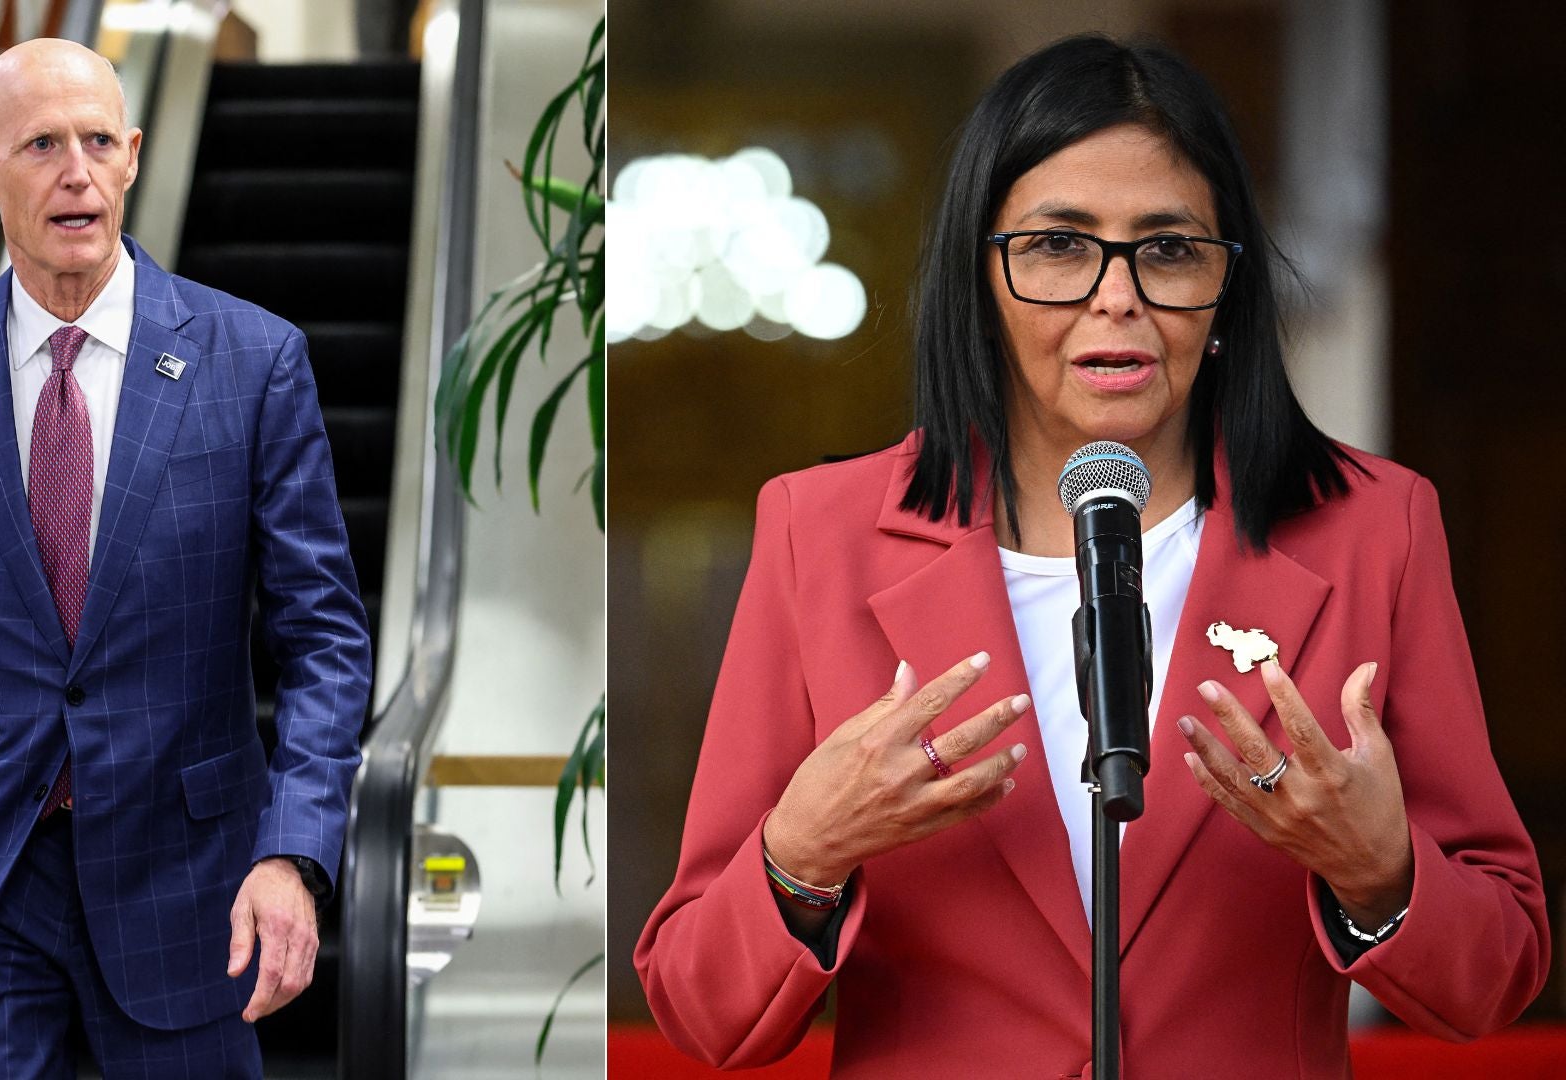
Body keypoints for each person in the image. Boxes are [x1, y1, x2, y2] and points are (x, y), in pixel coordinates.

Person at [634, 34, 1547, 1078]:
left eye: (1167, 249)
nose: (1117, 296)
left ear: (1226, 292)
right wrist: (801, 855)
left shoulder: (1375, 526)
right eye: (1060, 246)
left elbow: (1496, 977)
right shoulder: (821, 533)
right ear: (981, 278)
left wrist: (1382, 873)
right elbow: (703, 1012)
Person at [0, 39, 372, 1078]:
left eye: (97, 142)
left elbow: (325, 638)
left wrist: (293, 851)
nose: (76, 171)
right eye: (40, 145)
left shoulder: (254, 360)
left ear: (131, 158)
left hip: (191, 886)